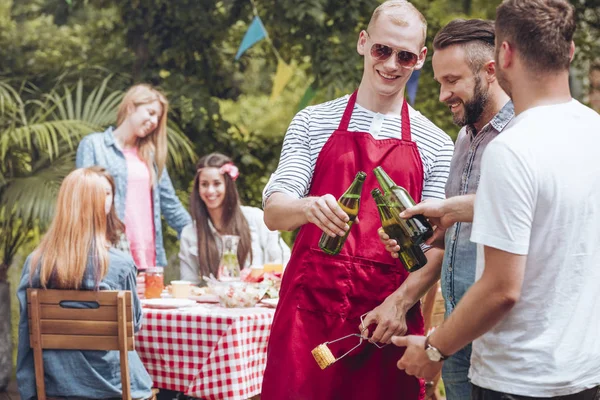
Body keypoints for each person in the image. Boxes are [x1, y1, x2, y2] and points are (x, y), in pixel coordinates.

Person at [392, 1, 600, 399]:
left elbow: (502, 288)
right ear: (570, 51)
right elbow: (552, 217)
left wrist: (434, 349)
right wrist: (451, 215)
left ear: (503, 56)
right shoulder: (594, 129)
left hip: (516, 377)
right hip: (582, 372)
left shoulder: (512, 147)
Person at [260, 1, 454, 398]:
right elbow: (274, 212)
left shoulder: (436, 142)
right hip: (307, 319)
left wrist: (399, 304)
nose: (391, 64)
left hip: (387, 323)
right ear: (363, 43)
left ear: (419, 60)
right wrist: (307, 207)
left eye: (404, 56)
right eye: (383, 50)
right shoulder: (313, 121)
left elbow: (437, 245)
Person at [380, 19, 513, 399]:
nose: (442, 94)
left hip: (503, 343)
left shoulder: (523, 135)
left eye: (452, 80)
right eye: (439, 82)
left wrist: (451, 210)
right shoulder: (464, 137)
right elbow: (457, 233)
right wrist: (429, 238)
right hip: (456, 336)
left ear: (490, 71)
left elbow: (527, 211)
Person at [16, 168, 153, 400]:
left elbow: (25, 329)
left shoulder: (35, 263)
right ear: (102, 204)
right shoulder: (121, 264)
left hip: (53, 386)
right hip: (113, 388)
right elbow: (133, 326)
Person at [76, 84, 191, 273]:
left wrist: (198, 233)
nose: (154, 121)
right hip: (110, 254)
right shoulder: (94, 145)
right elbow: (82, 202)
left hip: (149, 257)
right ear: (130, 107)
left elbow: (171, 204)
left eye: (158, 118)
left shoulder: (151, 155)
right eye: (151, 112)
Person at [179, 152, 291, 283]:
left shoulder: (256, 218)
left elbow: (284, 262)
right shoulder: (190, 233)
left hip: (258, 298)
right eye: (204, 184)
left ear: (228, 186)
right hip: (212, 301)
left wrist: (264, 277)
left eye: (216, 183)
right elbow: (188, 283)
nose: (210, 191)